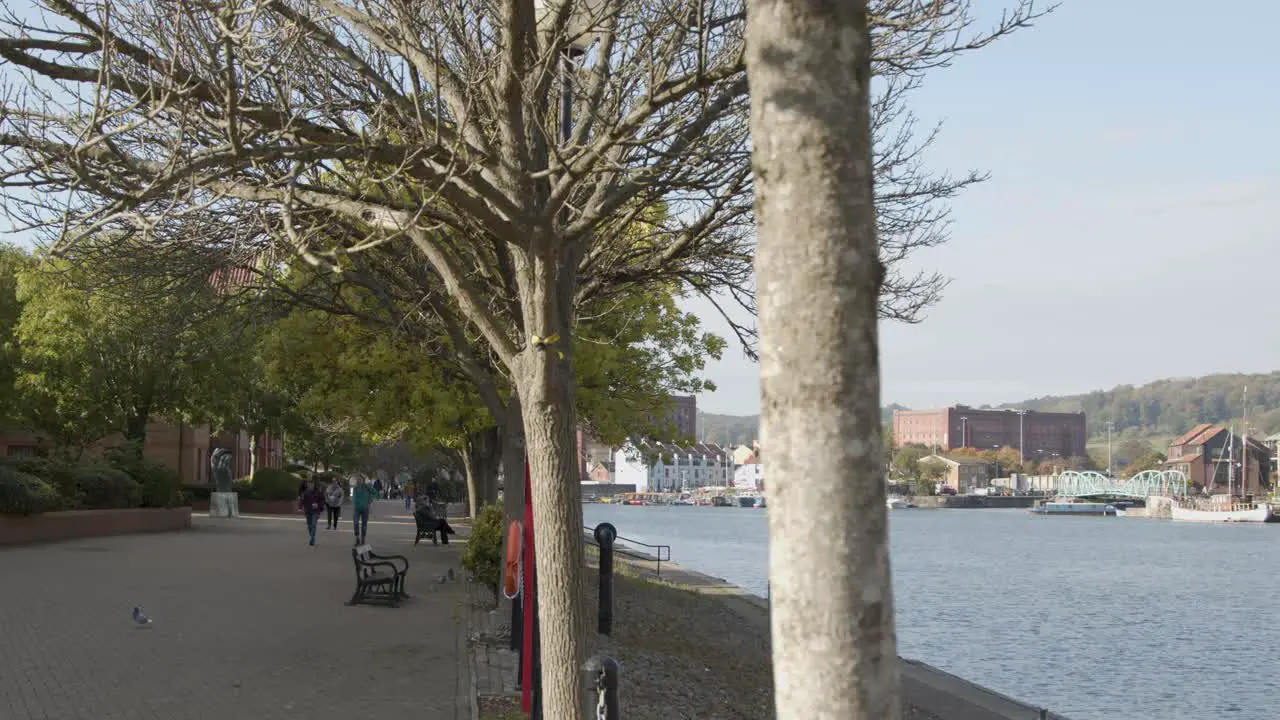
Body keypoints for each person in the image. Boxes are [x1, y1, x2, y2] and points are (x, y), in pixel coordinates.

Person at [298, 478, 326, 546]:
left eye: (311, 484)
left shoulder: (318, 492)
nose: (310, 486)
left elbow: (322, 500)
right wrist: (300, 507)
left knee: (313, 525)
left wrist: (319, 506)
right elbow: (302, 500)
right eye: (309, 484)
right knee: (309, 525)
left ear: (314, 485)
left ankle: (312, 538)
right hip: (308, 511)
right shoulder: (305, 492)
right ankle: (311, 535)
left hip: (316, 511)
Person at [352, 476, 377, 546]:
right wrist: (354, 506)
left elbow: (375, 492)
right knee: (355, 523)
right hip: (357, 508)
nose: (359, 481)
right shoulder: (355, 488)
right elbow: (353, 498)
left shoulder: (367, 487)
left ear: (363, 480)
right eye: (358, 479)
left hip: (365, 508)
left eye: (360, 479)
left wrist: (371, 499)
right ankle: (357, 538)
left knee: (364, 524)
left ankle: (363, 538)